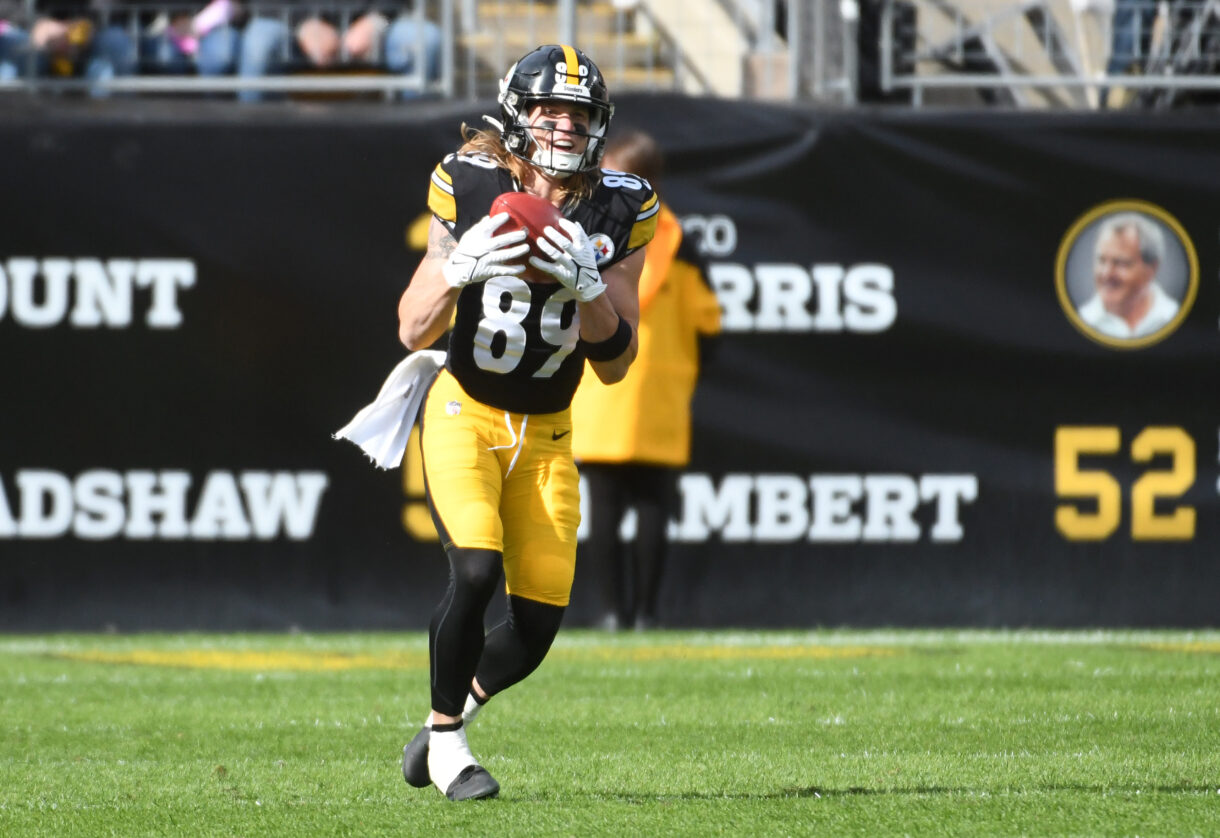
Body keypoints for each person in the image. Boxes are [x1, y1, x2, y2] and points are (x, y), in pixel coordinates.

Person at [395, 44, 657, 801]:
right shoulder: (471, 182)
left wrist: (587, 288)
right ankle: (449, 749)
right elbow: (413, 328)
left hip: (548, 430)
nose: (565, 125)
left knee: (536, 627)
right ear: (517, 112)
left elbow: (614, 361)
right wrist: (455, 268)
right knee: (476, 569)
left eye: (579, 112)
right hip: (465, 412)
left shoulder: (622, 204)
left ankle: (439, 725)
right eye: (550, 108)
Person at [569, 130, 721, 632]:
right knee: (654, 509)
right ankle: (648, 616)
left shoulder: (597, 230)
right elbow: (709, 323)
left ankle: (613, 613)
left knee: (606, 513)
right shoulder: (683, 245)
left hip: (601, 390)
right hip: (659, 392)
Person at [233, 2, 440, 102]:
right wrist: (302, 24)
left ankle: (416, 163)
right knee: (259, 44)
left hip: (371, 26)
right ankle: (252, 154)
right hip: (292, 28)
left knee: (426, 41)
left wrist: (377, 19)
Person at [0, 0, 135, 96]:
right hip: (34, 34)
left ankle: (107, 124)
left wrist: (91, 24)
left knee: (115, 42)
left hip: (93, 32)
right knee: (11, 44)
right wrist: (37, 23)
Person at [1078, 213, 1180, 339]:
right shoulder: (1081, 320)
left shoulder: (1175, 317)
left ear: (1152, 268)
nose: (1106, 273)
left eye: (1120, 263)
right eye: (1101, 260)